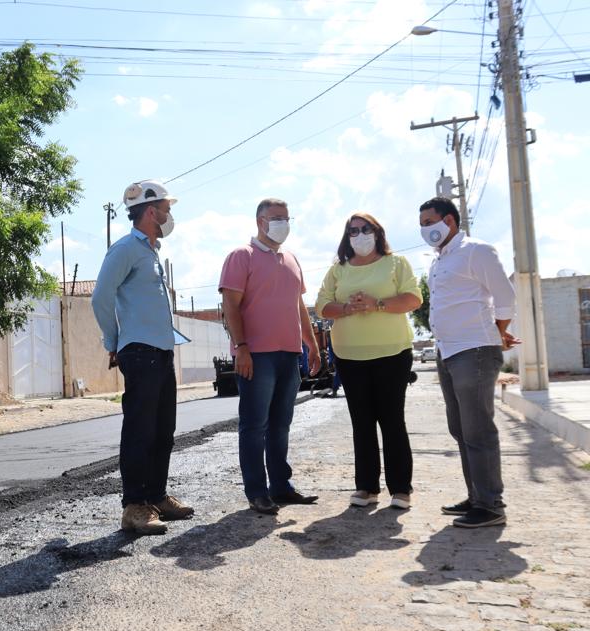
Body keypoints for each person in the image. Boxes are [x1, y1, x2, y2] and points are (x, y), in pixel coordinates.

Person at [91, 179, 194, 535]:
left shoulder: (150, 251)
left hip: (162, 351)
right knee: (140, 430)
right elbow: (100, 296)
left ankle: (156, 496)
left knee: (163, 429)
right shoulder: (125, 249)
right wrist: (114, 340)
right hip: (140, 352)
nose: (169, 215)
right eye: (166, 209)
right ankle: (135, 507)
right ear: (151, 212)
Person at [419, 197, 520, 528]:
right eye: (420, 224)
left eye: (428, 222)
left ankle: (491, 505)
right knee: (461, 429)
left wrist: (497, 332)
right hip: (447, 351)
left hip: (474, 351)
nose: (424, 229)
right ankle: (476, 496)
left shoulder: (477, 250)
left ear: (448, 221)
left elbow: (505, 297)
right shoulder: (439, 260)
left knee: (478, 429)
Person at [218, 198, 321, 515]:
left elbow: (299, 307)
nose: (282, 223)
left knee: (281, 425)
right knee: (254, 426)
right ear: (260, 221)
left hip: (289, 356)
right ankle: (257, 491)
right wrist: (242, 347)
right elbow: (230, 307)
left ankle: (281, 486)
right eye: (276, 217)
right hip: (257, 356)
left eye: (287, 218)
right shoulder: (241, 256)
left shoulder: (291, 259)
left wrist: (312, 345)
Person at [315, 212, 422, 510]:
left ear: (377, 232)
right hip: (350, 356)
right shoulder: (338, 270)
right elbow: (322, 305)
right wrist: (348, 308)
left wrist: (377, 304)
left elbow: (413, 299)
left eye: (365, 229)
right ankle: (366, 487)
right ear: (346, 237)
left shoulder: (396, 263)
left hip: (393, 353)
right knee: (361, 422)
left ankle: (401, 489)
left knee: (392, 421)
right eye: (353, 231)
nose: (359, 235)